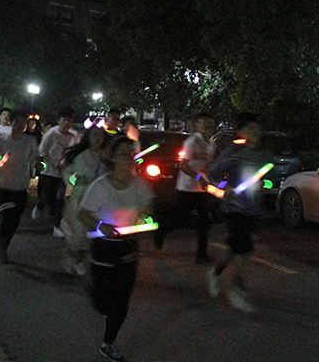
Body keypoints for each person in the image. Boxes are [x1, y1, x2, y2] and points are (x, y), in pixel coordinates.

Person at [78, 136, 153, 362]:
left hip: (128, 246)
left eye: (131, 153)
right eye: (123, 154)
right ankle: (94, 291)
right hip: (104, 247)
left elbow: (147, 207)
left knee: (121, 301)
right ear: (111, 157)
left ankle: (108, 342)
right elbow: (83, 214)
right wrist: (101, 225)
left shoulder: (140, 185)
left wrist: (145, 217)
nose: (129, 158)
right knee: (103, 302)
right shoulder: (100, 186)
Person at [207, 112, 271, 313]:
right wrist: (224, 187)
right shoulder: (234, 152)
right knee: (245, 248)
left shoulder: (262, 154)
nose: (255, 132)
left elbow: (267, 179)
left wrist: (264, 183)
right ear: (241, 131)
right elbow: (213, 173)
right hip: (233, 207)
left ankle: (215, 272)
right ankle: (236, 288)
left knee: (235, 248)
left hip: (253, 208)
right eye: (249, 128)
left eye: (257, 128)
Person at [156, 113, 216, 264]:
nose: (207, 126)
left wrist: (211, 179)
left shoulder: (211, 144)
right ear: (197, 125)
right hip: (187, 188)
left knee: (204, 221)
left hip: (202, 189)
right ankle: (161, 231)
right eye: (203, 123)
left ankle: (201, 255)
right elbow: (183, 165)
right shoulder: (192, 141)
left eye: (209, 123)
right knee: (179, 219)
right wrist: (199, 177)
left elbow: (208, 165)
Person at [0, 112, 38, 263]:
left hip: (21, 186)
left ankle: (3, 244)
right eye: (17, 122)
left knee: (15, 220)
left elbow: (36, 158)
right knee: (7, 217)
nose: (20, 126)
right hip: (4, 185)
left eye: (23, 123)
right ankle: (1, 245)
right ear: (12, 123)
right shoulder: (2, 140)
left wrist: (38, 165)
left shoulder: (30, 141)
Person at [60, 127, 108, 275]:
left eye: (100, 135)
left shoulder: (107, 156)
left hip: (100, 200)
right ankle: (74, 260)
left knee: (93, 233)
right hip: (81, 198)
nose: (98, 138)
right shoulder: (81, 156)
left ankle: (80, 260)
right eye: (94, 135)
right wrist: (74, 180)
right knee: (79, 232)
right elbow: (68, 174)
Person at [32, 108, 80, 238]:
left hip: (64, 172)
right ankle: (40, 205)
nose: (67, 123)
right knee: (48, 195)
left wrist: (68, 164)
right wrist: (53, 163)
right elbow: (43, 151)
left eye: (69, 121)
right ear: (59, 121)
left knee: (60, 198)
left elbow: (75, 152)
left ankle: (56, 226)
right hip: (50, 171)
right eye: (64, 120)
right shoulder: (51, 134)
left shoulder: (74, 135)